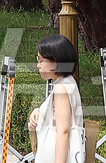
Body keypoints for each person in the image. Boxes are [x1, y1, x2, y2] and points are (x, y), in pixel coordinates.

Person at [28, 34, 85, 163]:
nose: (38, 65)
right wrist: (40, 111)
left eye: (41, 60)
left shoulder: (61, 89)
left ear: (55, 62)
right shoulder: (68, 83)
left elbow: (64, 132)